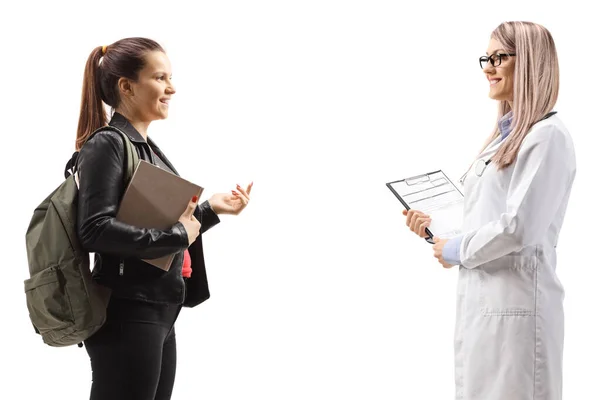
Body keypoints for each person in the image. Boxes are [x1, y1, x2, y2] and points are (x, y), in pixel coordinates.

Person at [403, 22, 575, 400]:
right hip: (488, 308)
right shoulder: (505, 135)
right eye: (487, 57)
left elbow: (518, 227)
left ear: (529, 61)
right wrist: (439, 231)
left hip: (518, 316)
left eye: (499, 57)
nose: (488, 66)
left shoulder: (547, 137)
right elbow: (488, 216)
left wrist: (456, 249)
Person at [75, 37, 252, 400]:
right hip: (128, 311)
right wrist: (178, 235)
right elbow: (95, 229)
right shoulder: (107, 144)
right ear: (127, 86)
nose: (171, 88)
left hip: (158, 309)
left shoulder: (145, 148)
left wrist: (210, 209)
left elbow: (160, 222)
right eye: (160, 78)